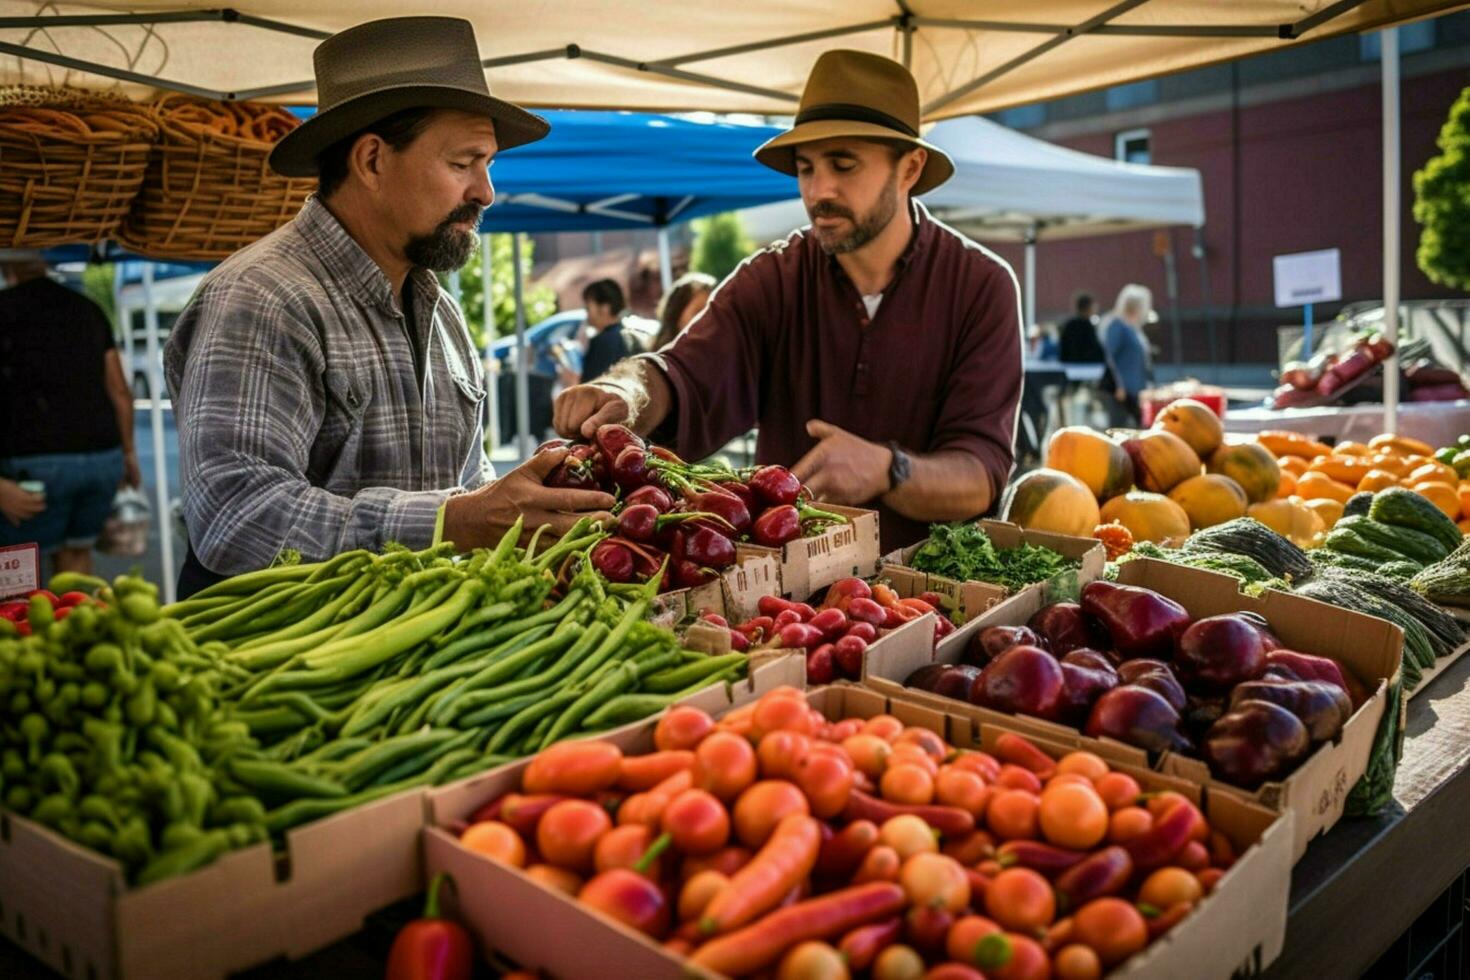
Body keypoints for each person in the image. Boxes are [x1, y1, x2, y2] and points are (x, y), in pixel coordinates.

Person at [165, 16, 614, 598]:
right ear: (373, 160)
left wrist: (521, 509)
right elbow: (237, 516)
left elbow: (464, 489)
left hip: (419, 664)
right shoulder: (263, 298)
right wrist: (450, 524)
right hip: (285, 672)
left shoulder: (441, 313)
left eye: (488, 164)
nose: (486, 192)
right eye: (462, 163)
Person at [553, 50, 1023, 552]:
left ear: (909, 168)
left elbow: (980, 474)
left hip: (939, 593)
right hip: (786, 601)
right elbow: (681, 373)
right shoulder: (773, 277)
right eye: (805, 169)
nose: (819, 191)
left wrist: (889, 469)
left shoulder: (981, 285)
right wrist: (622, 392)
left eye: (843, 165)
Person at [0, 256, 141, 575]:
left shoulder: (3, 308)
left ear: (7, 268)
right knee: (76, 558)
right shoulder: (88, 308)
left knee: (19, 576)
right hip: (103, 461)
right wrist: (128, 454)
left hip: (33, 466)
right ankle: (80, 622)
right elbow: (119, 390)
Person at [1102, 284, 1155, 427]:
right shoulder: (1117, 326)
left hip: (1138, 390)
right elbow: (1108, 356)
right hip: (1122, 392)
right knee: (1118, 430)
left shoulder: (1134, 328)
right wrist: (1118, 385)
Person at [577, 279, 644, 383]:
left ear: (605, 308)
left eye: (588, 308)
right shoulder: (632, 336)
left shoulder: (602, 342)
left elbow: (590, 387)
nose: (587, 314)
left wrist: (570, 380)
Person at [652, 272, 716, 350]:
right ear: (676, 314)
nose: (707, 319)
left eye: (710, 311)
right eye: (698, 312)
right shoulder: (657, 359)